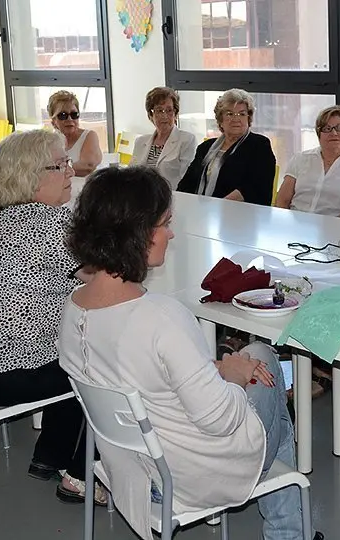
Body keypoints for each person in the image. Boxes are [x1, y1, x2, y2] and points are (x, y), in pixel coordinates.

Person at [59, 166, 322, 540]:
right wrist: (233, 375)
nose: (172, 233)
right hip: (190, 477)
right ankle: (289, 534)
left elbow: (140, 374)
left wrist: (212, 367)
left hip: (131, 471)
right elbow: (222, 421)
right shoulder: (162, 318)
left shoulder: (73, 309)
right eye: (165, 223)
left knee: (253, 369)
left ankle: (292, 532)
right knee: (263, 359)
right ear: (139, 235)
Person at [0, 129, 105, 504]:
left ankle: (50, 456)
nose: (71, 172)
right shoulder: (47, 222)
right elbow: (104, 277)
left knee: (71, 351)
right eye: (61, 165)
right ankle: (81, 476)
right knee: (107, 369)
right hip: (5, 374)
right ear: (31, 175)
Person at [177, 88, 277, 205]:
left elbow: (253, 188)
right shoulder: (205, 147)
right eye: (229, 114)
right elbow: (187, 183)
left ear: (248, 119)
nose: (236, 119)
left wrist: (216, 207)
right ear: (220, 120)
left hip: (240, 213)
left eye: (242, 114)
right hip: (203, 211)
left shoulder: (260, 145)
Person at [275, 105, 340, 218]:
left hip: (335, 227)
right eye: (327, 128)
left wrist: (329, 226)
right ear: (319, 134)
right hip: (296, 225)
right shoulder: (300, 159)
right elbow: (282, 200)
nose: (334, 133)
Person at [129, 86, 197, 189]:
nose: (164, 116)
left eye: (169, 110)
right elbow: (131, 174)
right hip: (142, 198)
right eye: (159, 110)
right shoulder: (140, 141)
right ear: (150, 115)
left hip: (172, 198)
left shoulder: (187, 140)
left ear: (175, 114)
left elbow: (187, 180)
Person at [48, 90, 102, 177]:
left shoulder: (89, 136)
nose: (69, 119)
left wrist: (54, 169)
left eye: (74, 114)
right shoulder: (48, 141)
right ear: (53, 121)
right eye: (63, 115)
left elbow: (88, 166)